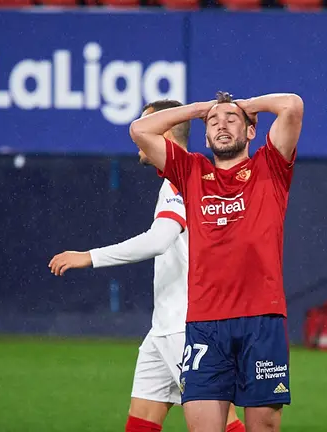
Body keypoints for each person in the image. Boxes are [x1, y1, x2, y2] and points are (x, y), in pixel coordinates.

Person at [48, 100, 244, 432]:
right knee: (142, 420)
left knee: (220, 422)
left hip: (188, 326)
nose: (136, 136)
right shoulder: (183, 177)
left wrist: (90, 257)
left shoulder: (180, 181)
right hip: (165, 326)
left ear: (163, 131)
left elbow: (158, 240)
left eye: (144, 126)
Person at [129, 91, 303, 432]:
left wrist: (245, 106)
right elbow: (140, 130)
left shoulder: (269, 167)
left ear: (251, 131)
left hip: (261, 320)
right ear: (205, 134)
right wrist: (199, 109)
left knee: (262, 426)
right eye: (214, 122)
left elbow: (292, 105)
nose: (221, 125)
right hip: (206, 324)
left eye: (231, 121)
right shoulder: (191, 171)